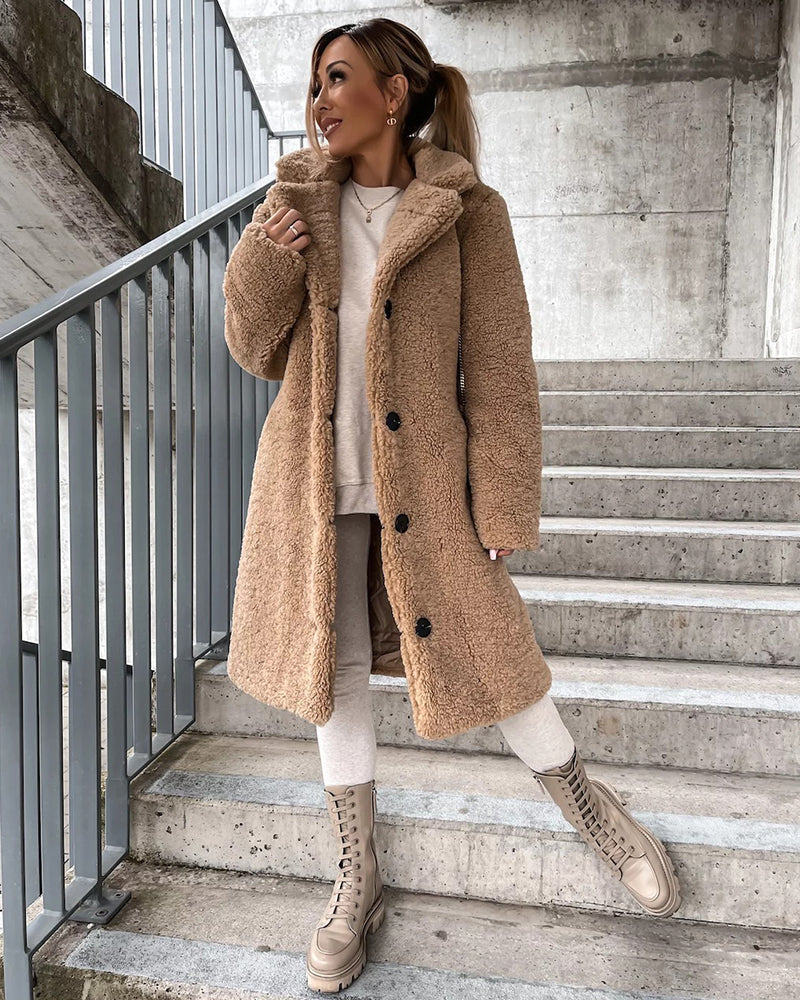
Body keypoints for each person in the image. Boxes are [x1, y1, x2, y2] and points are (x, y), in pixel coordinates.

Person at [224, 17, 681, 995]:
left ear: (394, 94)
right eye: (315, 81)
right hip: (312, 486)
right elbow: (253, 348)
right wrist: (265, 256)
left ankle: (593, 812)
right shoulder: (292, 202)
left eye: (338, 77)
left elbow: (501, 371)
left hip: (426, 487)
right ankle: (357, 876)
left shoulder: (470, 212)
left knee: (497, 654)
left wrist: (501, 507)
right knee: (336, 672)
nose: (319, 99)